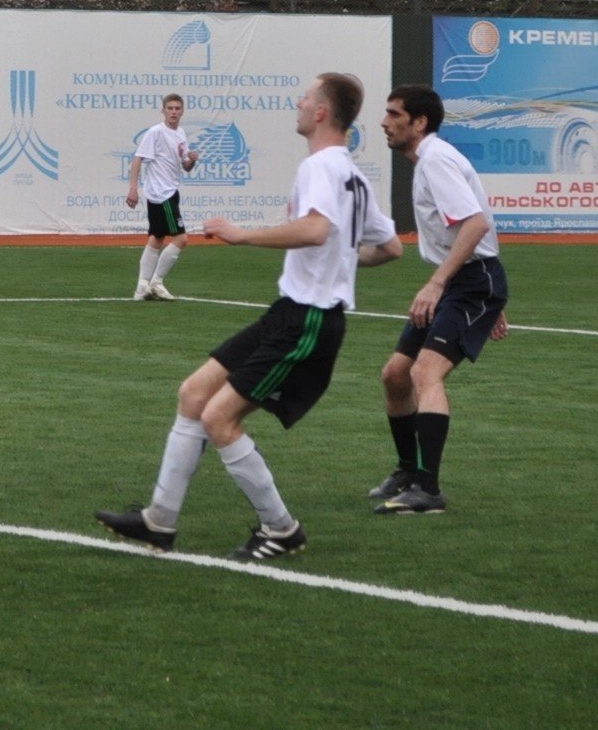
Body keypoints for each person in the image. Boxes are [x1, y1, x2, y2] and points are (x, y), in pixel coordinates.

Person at [97, 73, 402, 560]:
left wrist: (244, 235)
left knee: (220, 417)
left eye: (306, 97)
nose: (298, 103)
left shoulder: (322, 167)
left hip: (309, 320)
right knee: (194, 393)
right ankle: (160, 521)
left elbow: (316, 229)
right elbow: (390, 247)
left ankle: (281, 528)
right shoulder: (352, 173)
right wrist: (344, 261)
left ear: (322, 112)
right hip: (288, 312)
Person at [369, 84, 509, 515]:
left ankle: (428, 491)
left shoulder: (436, 160)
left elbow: (475, 225)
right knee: (396, 374)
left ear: (420, 122)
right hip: (467, 282)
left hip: (468, 282)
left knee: (425, 373)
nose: (384, 122)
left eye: (394, 114)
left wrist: (437, 284)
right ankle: (409, 471)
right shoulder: (429, 160)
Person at [127, 94, 199, 300]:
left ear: (182, 111)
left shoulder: (181, 133)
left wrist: (192, 160)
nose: (174, 112)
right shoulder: (156, 132)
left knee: (157, 238)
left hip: (167, 192)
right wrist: (133, 188)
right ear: (163, 111)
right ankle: (157, 282)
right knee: (181, 239)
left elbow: (185, 166)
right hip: (162, 193)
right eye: (170, 108)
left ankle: (141, 287)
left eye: (177, 108)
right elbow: (138, 159)